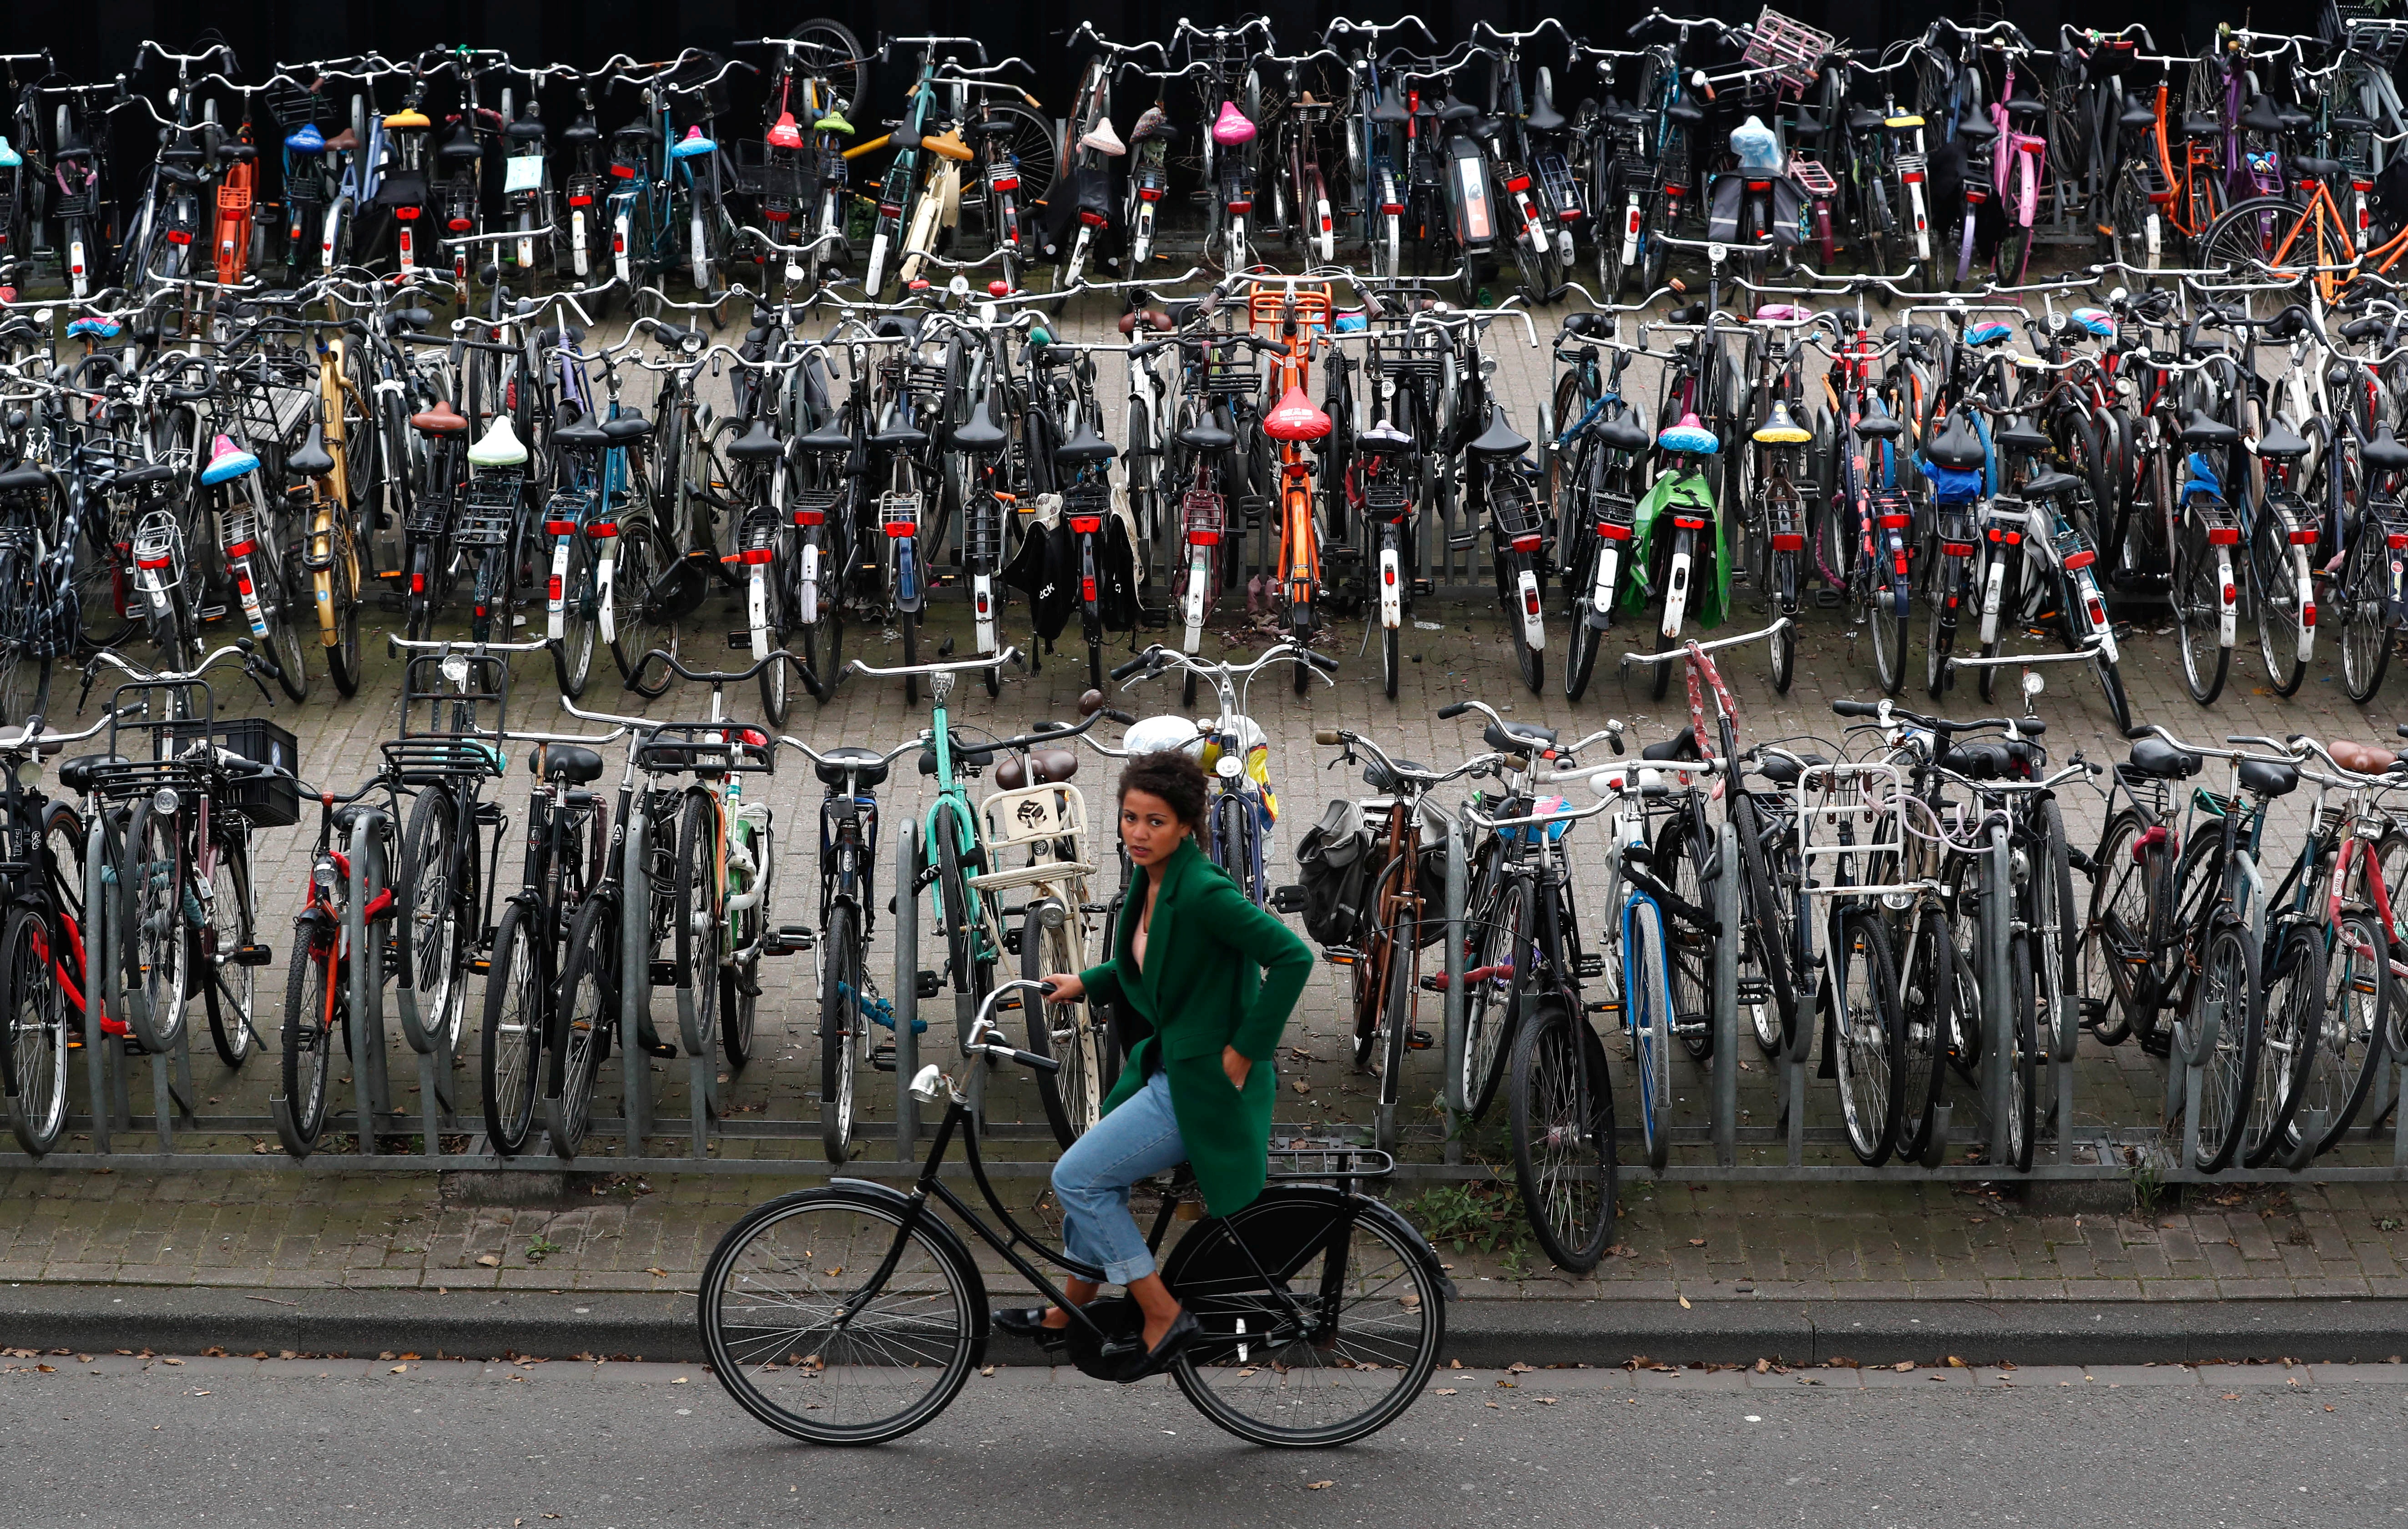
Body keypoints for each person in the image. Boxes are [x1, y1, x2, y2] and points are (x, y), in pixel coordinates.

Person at [994, 750, 1313, 1377]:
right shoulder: (1152, 878)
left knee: (1079, 1178)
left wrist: (1243, 1053)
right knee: (1096, 1177)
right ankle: (1068, 1310)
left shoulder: (1204, 892)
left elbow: (1292, 958)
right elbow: (1153, 963)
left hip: (1204, 1087)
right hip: (1170, 1069)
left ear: (1188, 825)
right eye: (1130, 817)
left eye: (1155, 821)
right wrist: (1085, 982)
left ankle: (1163, 1314)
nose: (1137, 833)